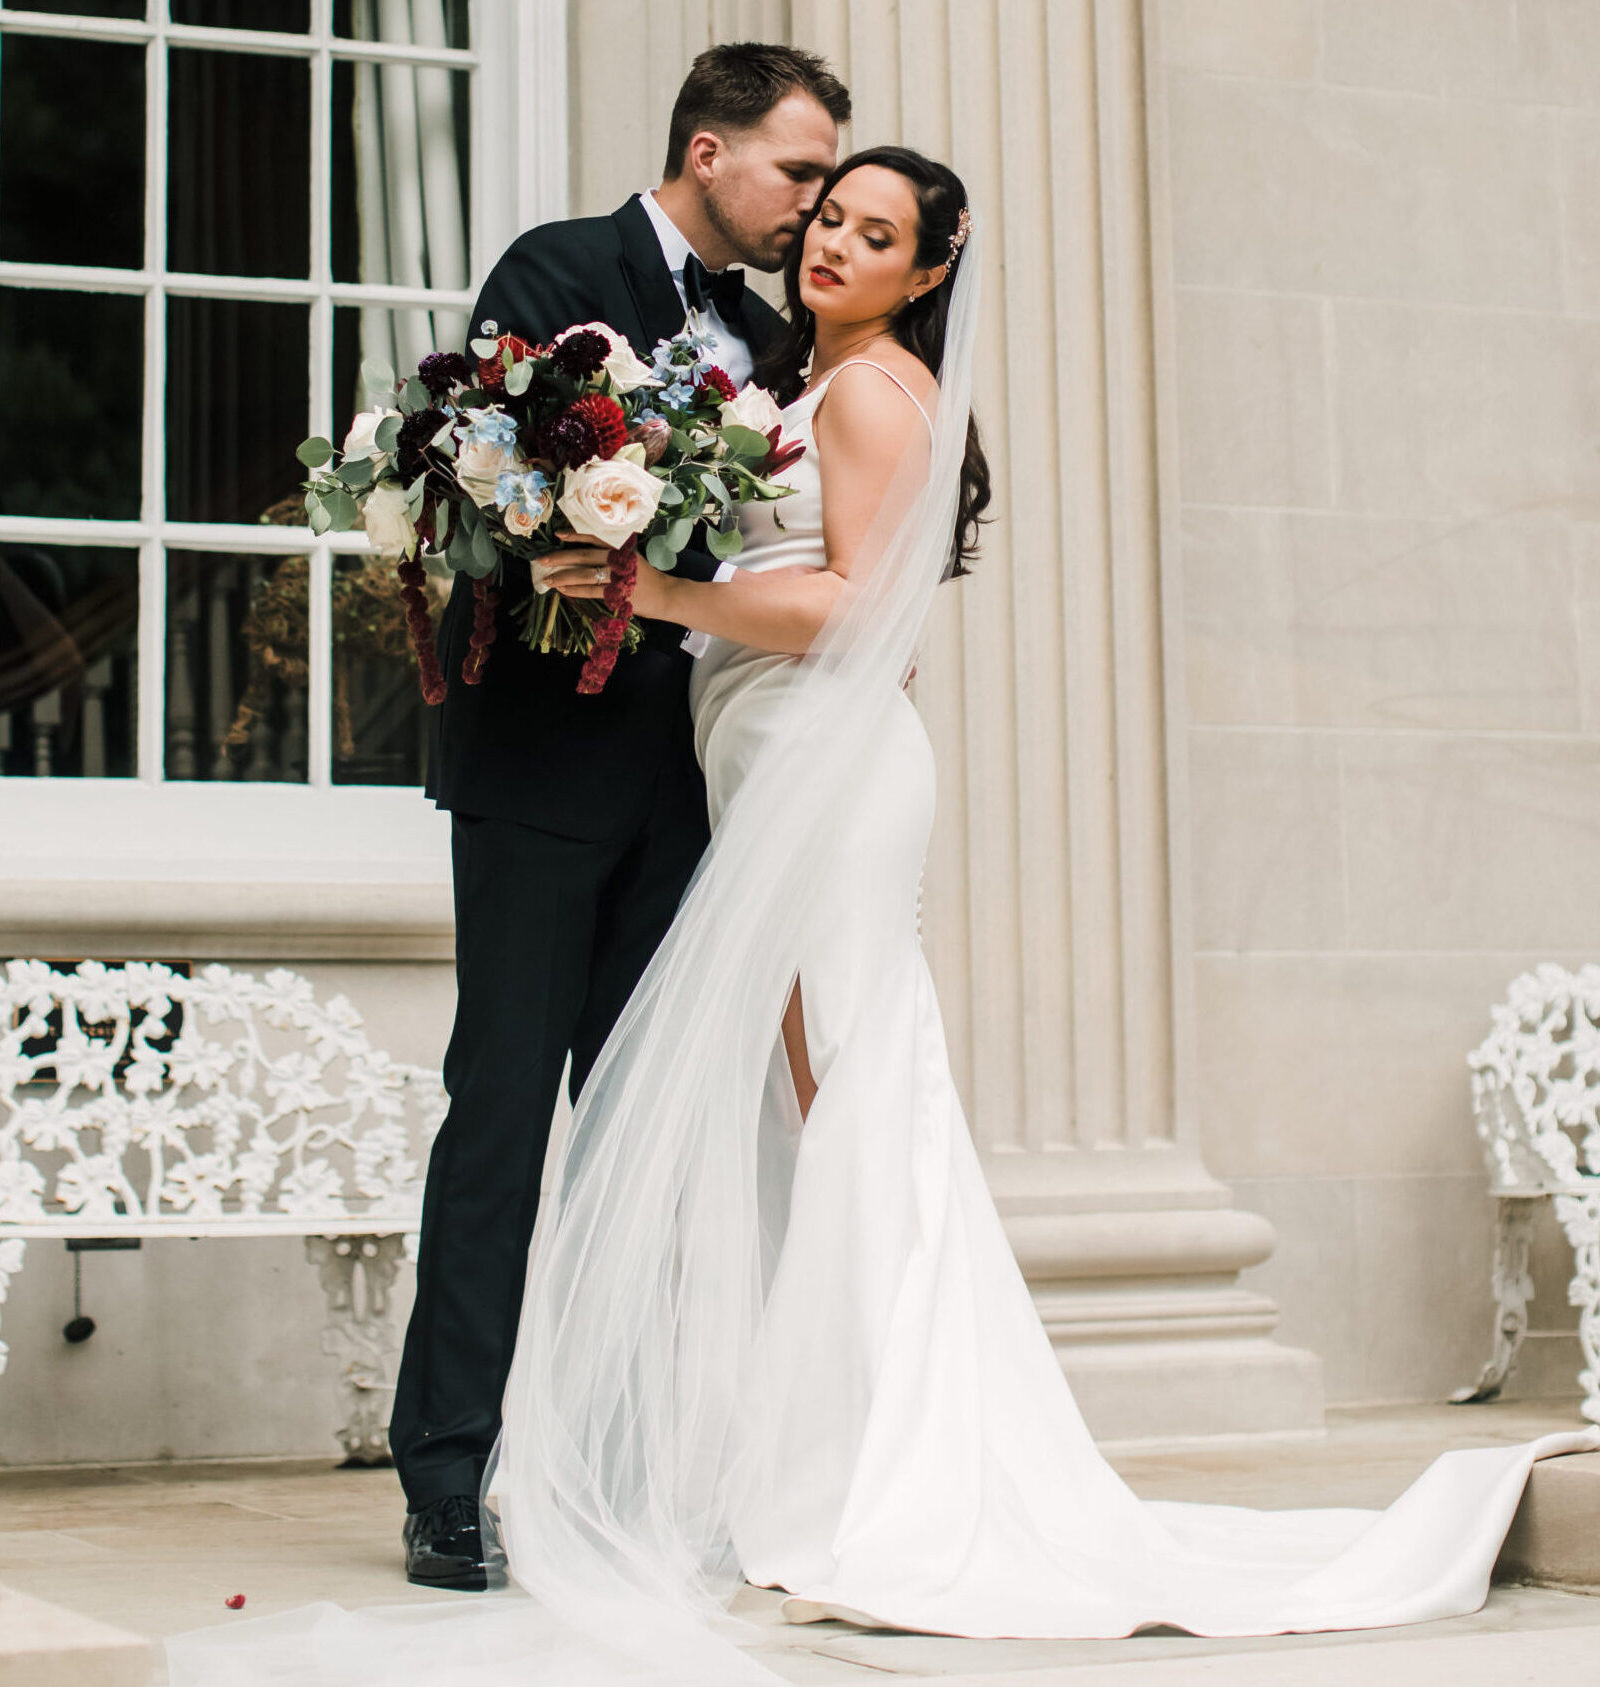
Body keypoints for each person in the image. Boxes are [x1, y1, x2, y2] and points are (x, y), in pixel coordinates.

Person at [390, 40, 849, 1590]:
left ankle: (615, 1472)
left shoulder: (778, 338)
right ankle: (446, 1479)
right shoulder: (556, 269)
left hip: (695, 785)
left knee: (656, 1138)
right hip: (536, 774)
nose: (811, 204)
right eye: (795, 171)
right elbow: (474, 488)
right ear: (708, 153)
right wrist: (552, 533)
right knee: (506, 1125)